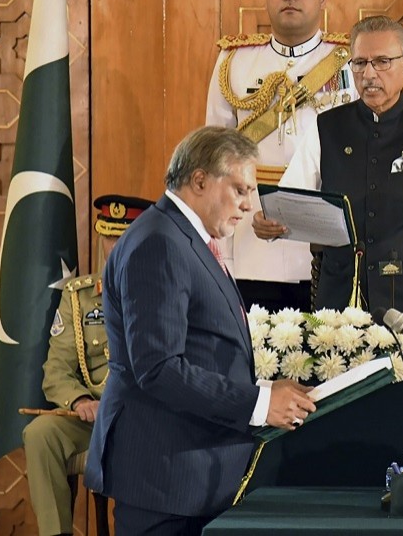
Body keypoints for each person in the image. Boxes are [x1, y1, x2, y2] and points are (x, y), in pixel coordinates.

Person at [84, 127, 317, 536]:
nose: (248, 207)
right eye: (241, 190)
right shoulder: (159, 243)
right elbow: (158, 368)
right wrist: (259, 405)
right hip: (164, 477)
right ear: (200, 180)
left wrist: (263, 387)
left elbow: (199, 347)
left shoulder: (183, 236)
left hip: (186, 472)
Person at [253, 15, 403, 316]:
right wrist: (269, 223)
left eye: (382, 62)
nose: (369, 74)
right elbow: (289, 202)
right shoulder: (327, 127)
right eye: (360, 63)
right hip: (343, 305)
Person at [205, 0, 356, 312]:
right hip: (250, 237)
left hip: (323, 238)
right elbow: (213, 157)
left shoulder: (348, 61)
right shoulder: (233, 61)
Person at [22, 194, 151, 536]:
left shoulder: (161, 289)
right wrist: (80, 401)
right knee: (40, 434)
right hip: (90, 418)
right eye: (109, 237)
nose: (115, 246)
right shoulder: (78, 296)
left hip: (141, 418)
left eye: (124, 238)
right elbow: (56, 369)